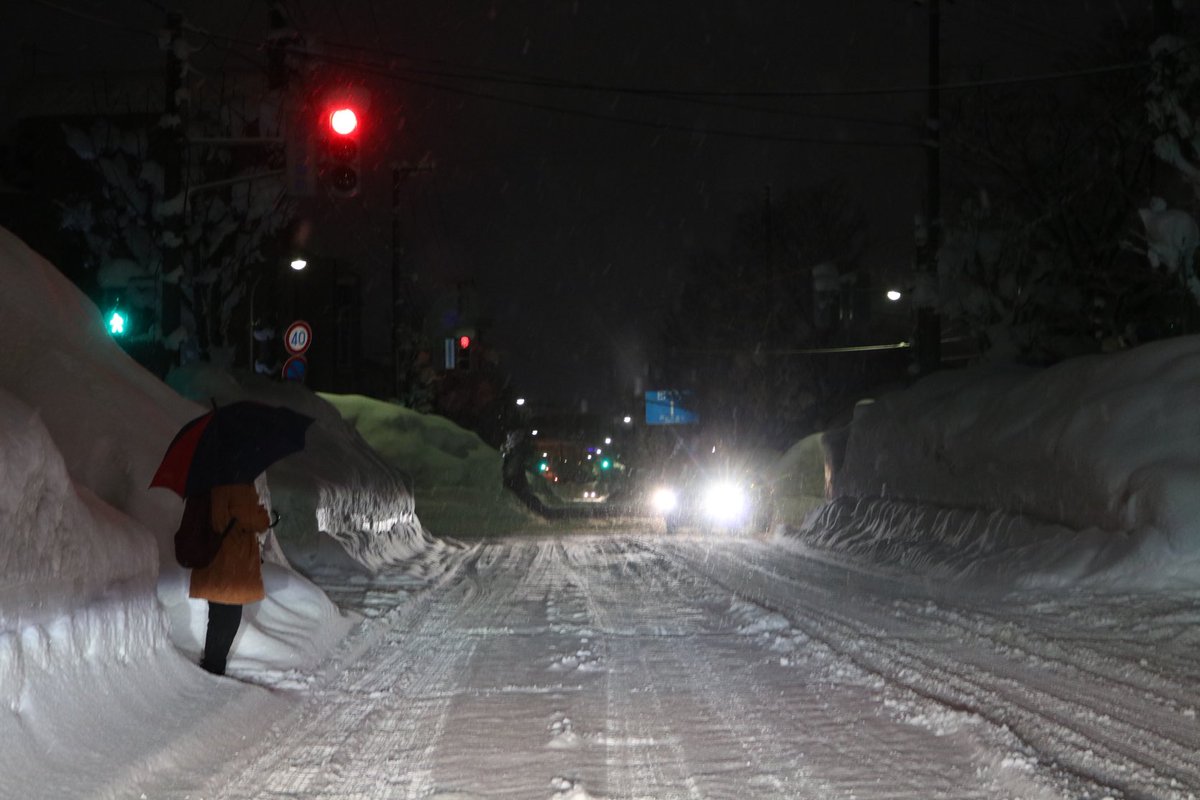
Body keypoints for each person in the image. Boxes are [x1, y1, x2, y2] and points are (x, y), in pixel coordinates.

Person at [189, 483, 271, 676]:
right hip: (231, 562)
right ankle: (213, 666)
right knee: (230, 618)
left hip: (214, 559)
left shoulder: (212, 485)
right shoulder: (238, 485)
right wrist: (261, 511)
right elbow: (259, 521)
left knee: (217, 616)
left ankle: (211, 663)